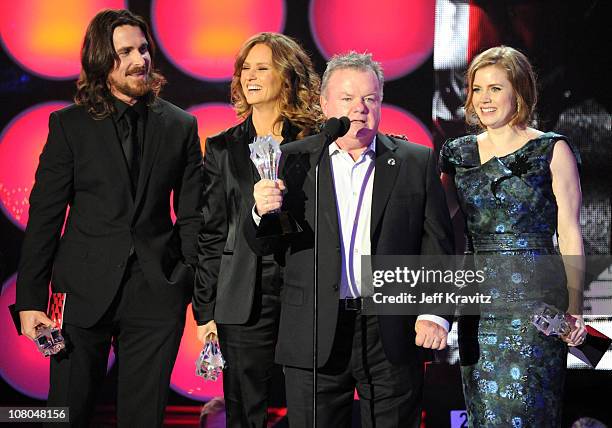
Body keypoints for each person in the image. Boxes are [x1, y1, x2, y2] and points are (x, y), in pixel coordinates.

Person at [14, 9, 202, 427]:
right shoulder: (68, 126)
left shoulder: (181, 126)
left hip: (156, 294)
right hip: (80, 294)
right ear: (102, 61)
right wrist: (30, 301)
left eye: (144, 48)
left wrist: (189, 288)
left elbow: (192, 218)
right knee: (65, 413)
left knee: (143, 418)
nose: (140, 59)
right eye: (126, 52)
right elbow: (45, 216)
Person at [249, 52, 454, 427]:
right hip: (313, 328)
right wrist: (263, 212)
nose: (359, 108)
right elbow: (270, 249)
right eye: (347, 99)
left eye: (370, 99)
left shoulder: (415, 161)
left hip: (390, 327)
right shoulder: (294, 161)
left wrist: (434, 311)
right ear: (325, 103)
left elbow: (438, 243)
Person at [439, 45, 588, 427]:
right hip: (479, 306)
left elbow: (569, 231)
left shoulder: (550, 149)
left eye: (496, 88)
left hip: (538, 307)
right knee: (484, 412)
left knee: (530, 411)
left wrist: (574, 307)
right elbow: (434, 220)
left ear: (518, 92)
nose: (484, 99)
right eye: (477, 89)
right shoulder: (457, 154)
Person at [192, 32, 323, 427]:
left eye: (262, 67)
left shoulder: (317, 143)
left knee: (310, 402)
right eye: (245, 68)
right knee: (245, 406)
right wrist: (205, 308)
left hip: (305, 285)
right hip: (243, 292)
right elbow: (212, 229)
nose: (250, 76)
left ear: (287, 76)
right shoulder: (221, 147)